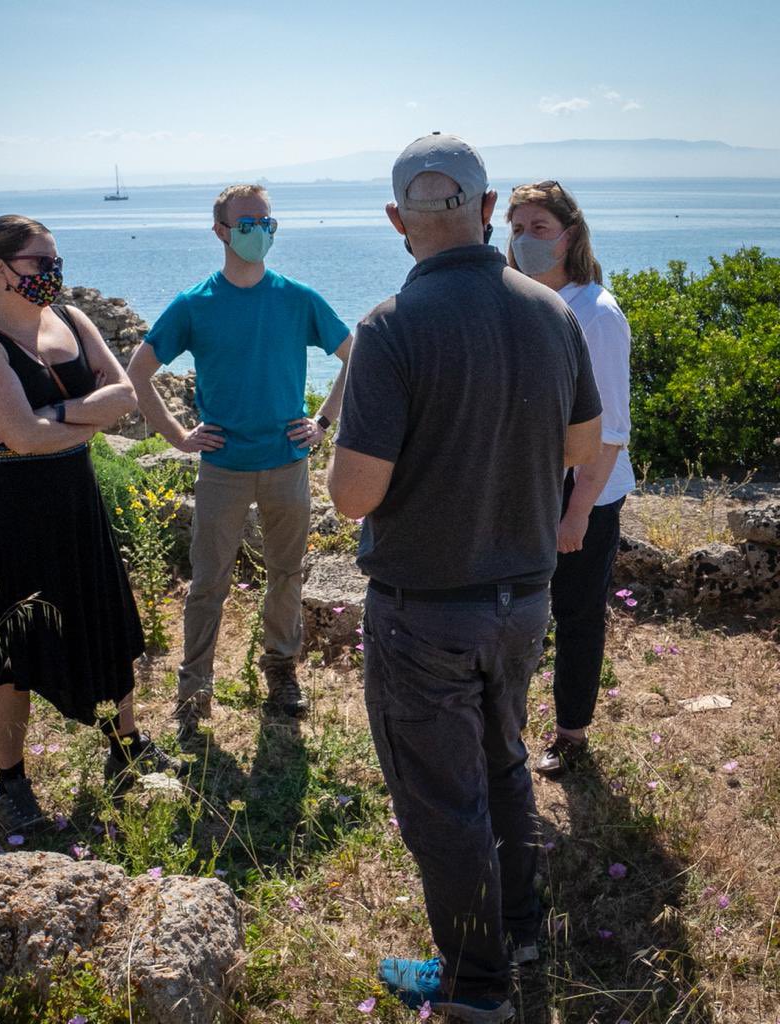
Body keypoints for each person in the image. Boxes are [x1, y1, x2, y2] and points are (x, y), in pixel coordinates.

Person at [329, 134, 603, 1021]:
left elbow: (352, 495)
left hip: (425, 612)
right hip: (522, 600)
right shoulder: (553, 314)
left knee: (443, 803)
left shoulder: (388, 329)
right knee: (506, 762)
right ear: (487, 213)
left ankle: (474, 985)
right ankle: (520, 931)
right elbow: (580, 447)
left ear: (398, 221)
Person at [0, 214, 180, 835]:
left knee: (102, 618)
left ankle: (125, 749)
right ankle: (13, 785)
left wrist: (53, 412)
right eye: (39, 265)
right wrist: (72, 417)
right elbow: (19, 438)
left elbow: (125, 395)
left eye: (56, 263)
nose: (53, 275)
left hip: (73, 498)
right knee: (8, 649)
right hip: (2, 515)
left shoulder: (74, 321)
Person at [127, 184, 352, 738]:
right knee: (208, 583)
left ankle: (280, 672)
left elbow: (357, 355)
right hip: (222, 467)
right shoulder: (195, 303)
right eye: (247, 223)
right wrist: (180, 436)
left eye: (267, 222)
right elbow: (137, 373)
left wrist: (322, 423)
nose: (259, 232)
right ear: (221, 231)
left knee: (286, 574)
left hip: (286, 463)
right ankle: (194, 690)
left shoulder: (297, 298)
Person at [505, 181, 635, 777]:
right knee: (517, 610)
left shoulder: (596, 314)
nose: (526, 240)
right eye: (517, 229)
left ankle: (572, 734)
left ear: (570, 236)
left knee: (577, 613)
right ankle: (508, 726)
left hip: (584, 490)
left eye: (540, 229)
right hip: (531, 482)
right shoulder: (526, 302)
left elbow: (610, 429)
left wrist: (578, 511)